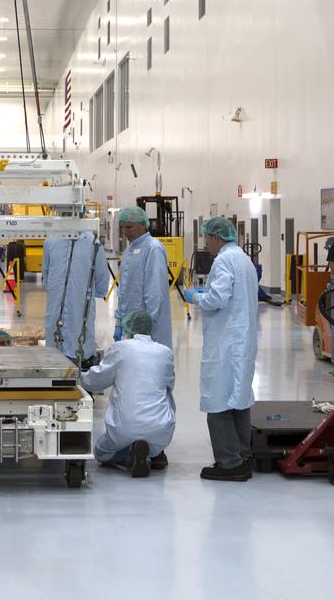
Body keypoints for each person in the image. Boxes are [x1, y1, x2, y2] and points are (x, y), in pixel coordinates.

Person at [182, 216, 260, 481]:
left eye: (207, 239)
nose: (207, 245)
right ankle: (243, 457)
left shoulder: (224, 260)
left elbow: (217, 298)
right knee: (239, 398)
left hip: (226, 341)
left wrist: (196, 296)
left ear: (216, 237)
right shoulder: (244, 259)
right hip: (241, 339)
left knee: (218, 399)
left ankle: (229, 463)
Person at [80, 310, 176, 477]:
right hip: (161, 430)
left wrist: (78, 376)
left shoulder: (121, 348)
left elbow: (96, 381)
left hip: (124, 428)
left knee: (101, 452)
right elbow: (170, 384)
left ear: (128, 328)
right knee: (163, 392)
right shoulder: (165, 352)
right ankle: (152, 454)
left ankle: (130, 455)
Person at [42, 229, 111, 365]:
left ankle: (81, 360)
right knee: (56, 338)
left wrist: (96, 292)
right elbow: (46, 272)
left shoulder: (92, 242)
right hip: (57, 301)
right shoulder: (51, 240)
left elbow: (101, 274)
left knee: (79, 334)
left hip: (80, 302)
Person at [115, 204, 173, 348]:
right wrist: (119, 322)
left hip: (147, 329)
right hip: (130, 325)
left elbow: (155, 293)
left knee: (148, 360)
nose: (125, 231)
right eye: (122, 227)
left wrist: (147, 326)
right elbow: (123, 291)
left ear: (142, 225)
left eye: (129, 227)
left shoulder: (153, 249)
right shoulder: (129, 250)